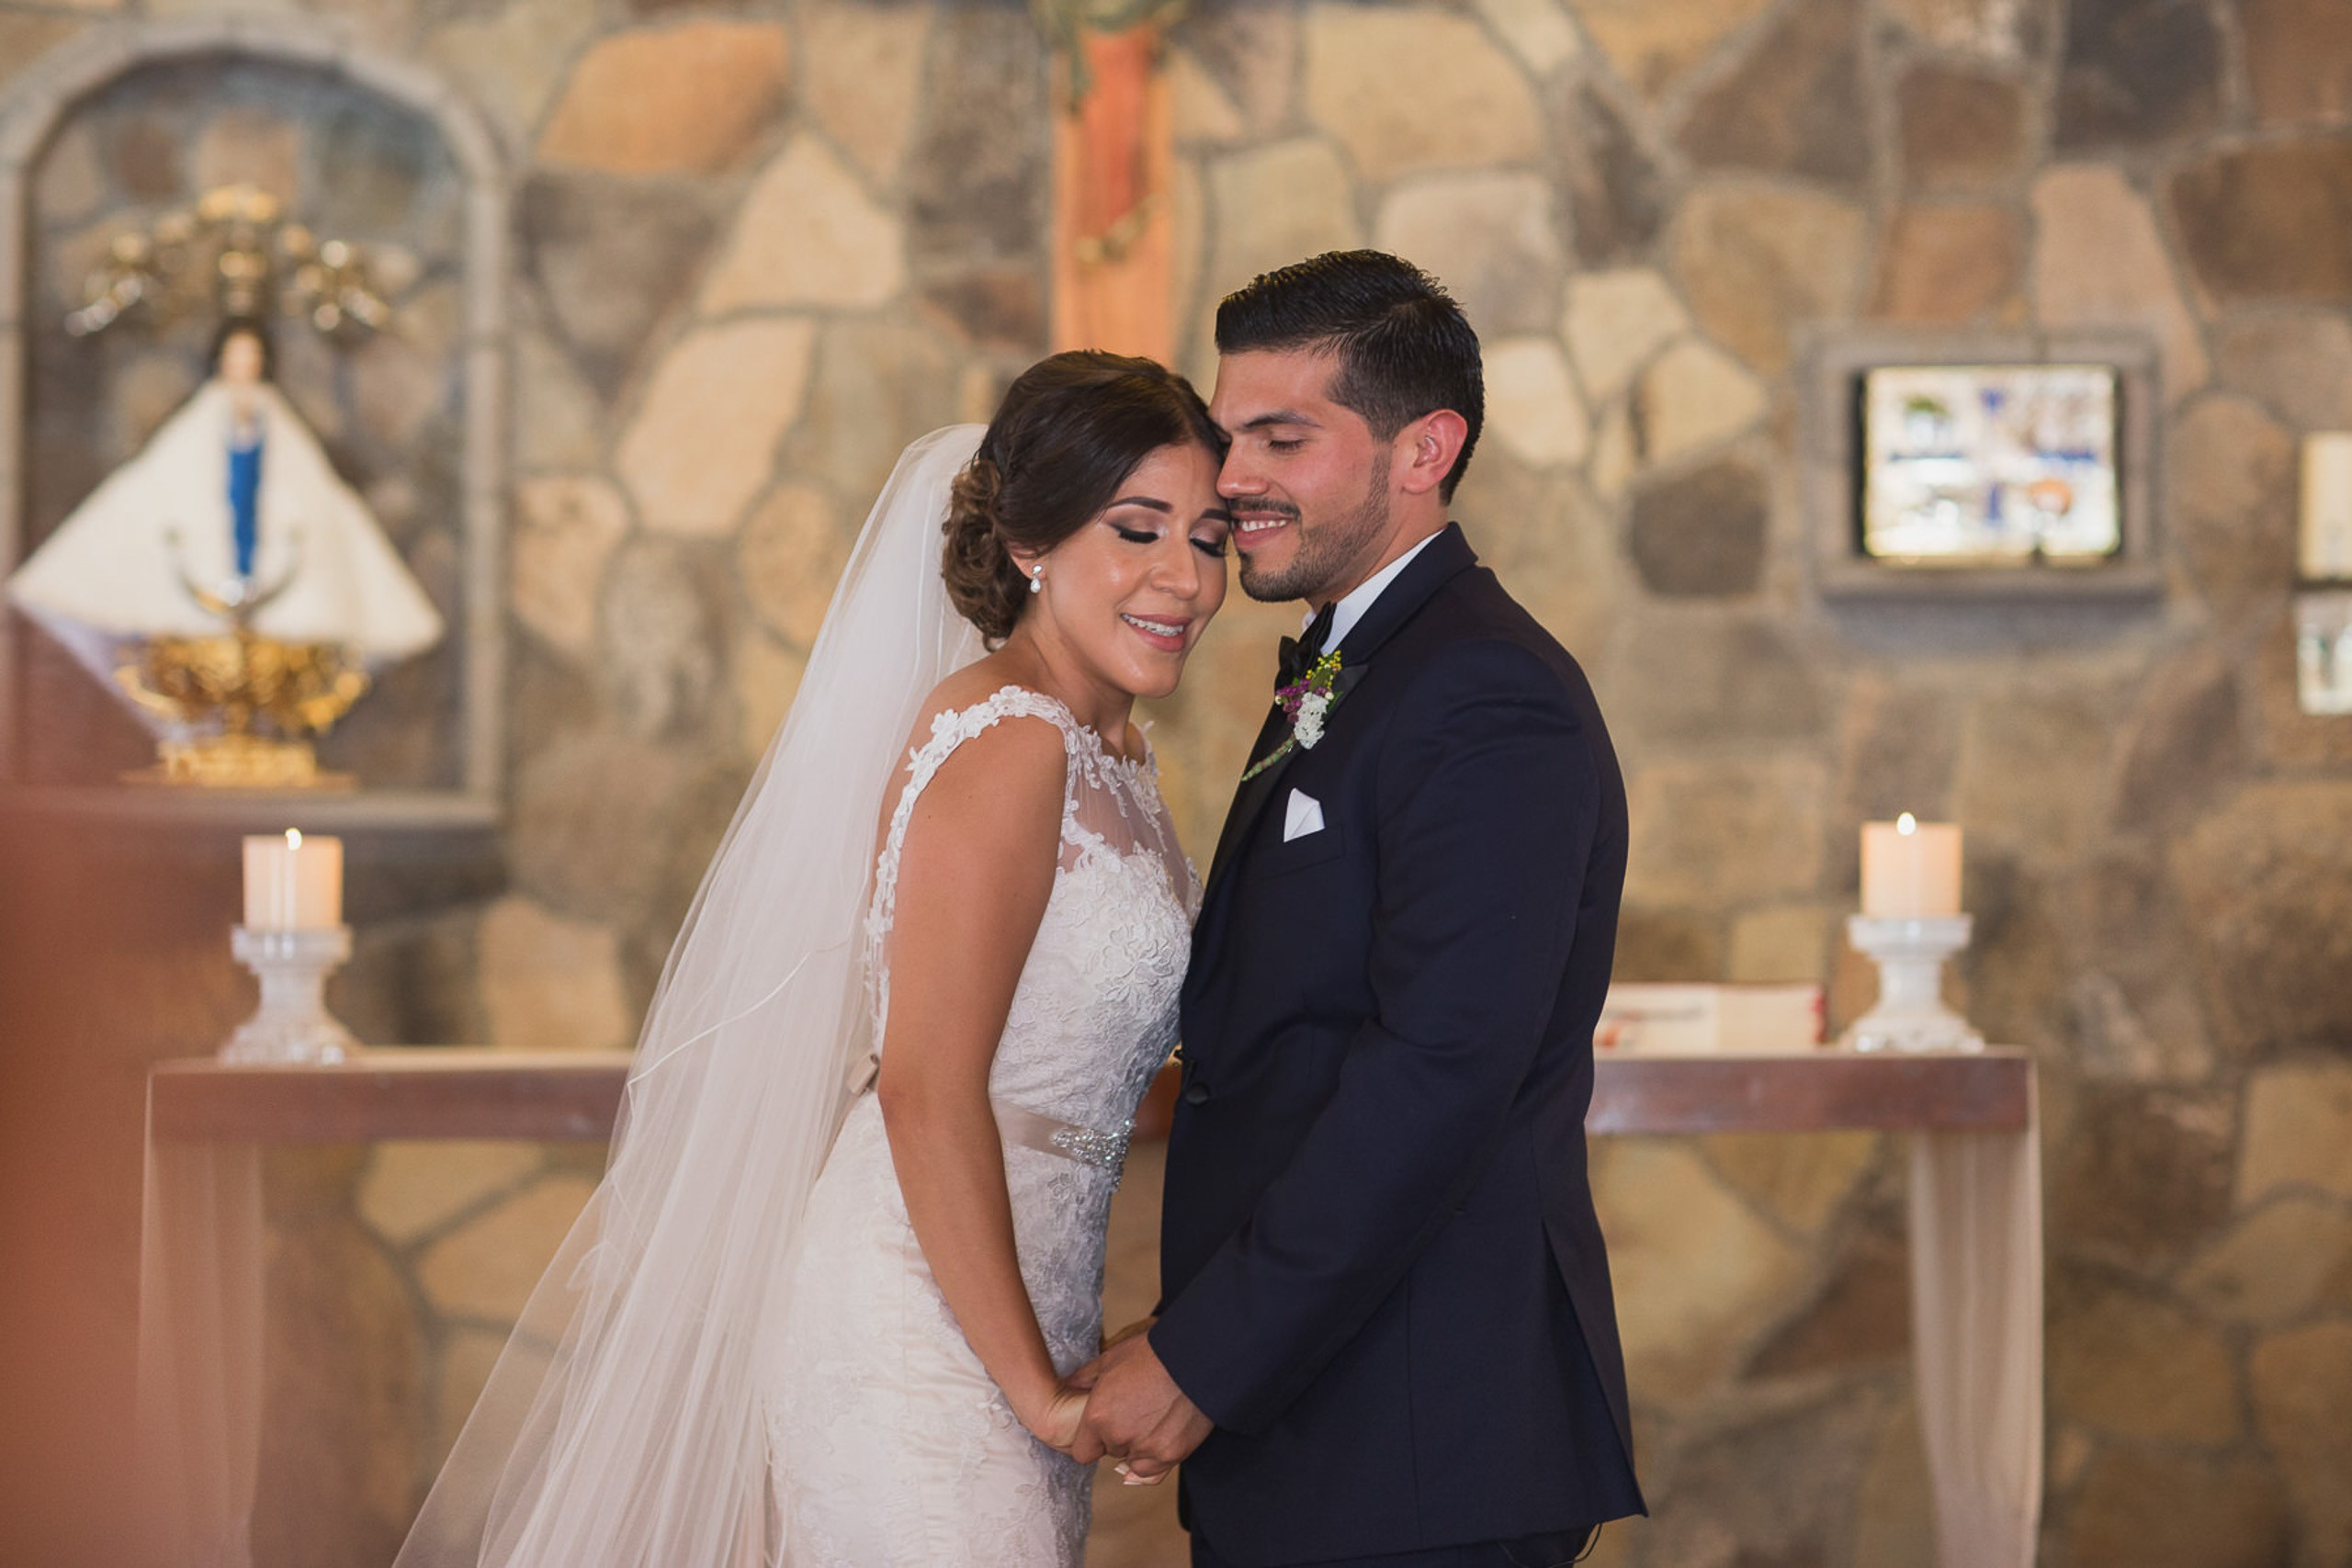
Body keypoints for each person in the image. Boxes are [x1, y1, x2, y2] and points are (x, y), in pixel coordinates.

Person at [391, 351, 1230, 1565]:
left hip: (1029, 1291)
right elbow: (925, 1084)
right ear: (1035, 543)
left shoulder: (1122, 757)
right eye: (1139, 529)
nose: (1185, 578)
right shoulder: (1011, 742)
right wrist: (1036, 1391)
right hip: (921, 1318)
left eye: (1209, 539)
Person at [1072, 251, 1649, 1566]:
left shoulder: (1485, 694)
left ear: (1422, 450)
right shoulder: (1365, 664)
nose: (1233, 479)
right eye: (1229, 437)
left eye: (1284, 436)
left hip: (1416, 1435)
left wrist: (1202, 1356)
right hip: (1339, 1426)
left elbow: (1438, 1074)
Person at [6, 316, 442, 684]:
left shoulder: (277, 423)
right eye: (235, 358)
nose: (242, 367)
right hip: (206, 557)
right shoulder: (198, 424)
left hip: (264, 549)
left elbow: (300, 492)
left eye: (251, 358)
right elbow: (167, 485)